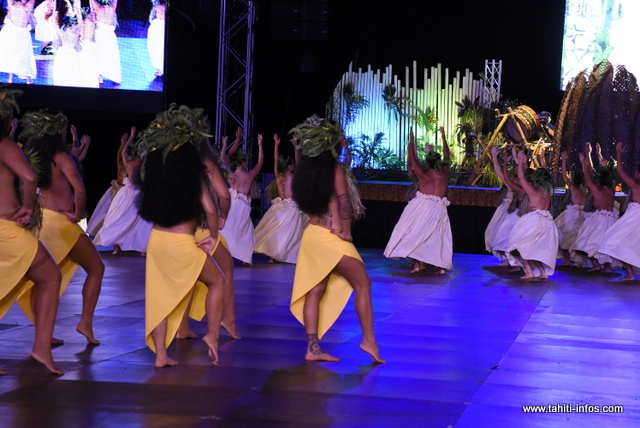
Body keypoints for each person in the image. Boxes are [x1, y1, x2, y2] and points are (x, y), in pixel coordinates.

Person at [290, 115, 384, 364]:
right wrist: (346, 232)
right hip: (332, 236)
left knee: (315, 290)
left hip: (312, 235)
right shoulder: (334, 169)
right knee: (362, 284)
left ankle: (312, 348)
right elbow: (344, 202)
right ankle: (369, 340)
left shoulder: (304, 173)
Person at [137, 104, 225, 367]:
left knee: (159, 296)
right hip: (182, 242)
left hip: (157, 240)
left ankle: (161, 356)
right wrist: (213, 235)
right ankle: (212, 335)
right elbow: (211, 209)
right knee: (218, 281)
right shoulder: (191, 171)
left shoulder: (153, 171)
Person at [17, 110, 104, 346]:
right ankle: (85, 322)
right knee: (96, 268)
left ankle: (43, 334)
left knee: (40, 280)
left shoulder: (31, 157)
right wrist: (78, 214)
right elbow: (80, 189)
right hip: (62, 224)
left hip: (41, 221)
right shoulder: (62, 157)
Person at [0, 86, 63, 375]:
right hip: (8, 229)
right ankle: (41, 347)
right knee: (50, 278)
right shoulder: (4, 145)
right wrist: (27, 206)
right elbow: (29, 177)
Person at [179, 137, 241, 340]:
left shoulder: (177, 163)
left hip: (181, 228)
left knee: (191, 277)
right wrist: (222, 216)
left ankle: (182, 327)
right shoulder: (206, 164)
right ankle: (229, 320)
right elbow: (224, 196)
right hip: (203, 227)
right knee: (226, 269)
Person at [384, 126, 452, 274]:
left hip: (422, 206)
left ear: (427, 162)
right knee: (438, 235)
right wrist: (443, 137)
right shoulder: (444, 173)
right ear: (440, 162)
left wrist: (411, 141)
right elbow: (447, 155)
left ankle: (417, 264)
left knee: (415, 234)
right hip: (438, 208)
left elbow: (413, 159)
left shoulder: (422, 173)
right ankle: (441, 267)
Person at [93, 127, 152, 255]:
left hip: (137, 192)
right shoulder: (136, 164)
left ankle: (142, 248)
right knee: (120, 218)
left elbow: (124, 151)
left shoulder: (142, 164)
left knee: (140, 220)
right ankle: (118, 247)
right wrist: (130, 137)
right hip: (129, 193)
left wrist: (131, 137)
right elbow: (122, 153)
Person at [254, 133, 308, 263]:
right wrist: (296, 147)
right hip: (290, 207)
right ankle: (282, 255)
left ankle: (274, 257)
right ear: (290, 166)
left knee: (277, 232)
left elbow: (275, 161)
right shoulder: (293, 176)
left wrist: (276, 145)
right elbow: (298, 162)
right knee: (288, 234)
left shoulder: (279, 176)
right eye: (292, 164)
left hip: (279, 206)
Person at [506, 149, 558, 279]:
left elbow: (521, 178)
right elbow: (545, 173)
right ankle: (543, 273)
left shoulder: (533, 191)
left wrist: (519, 162)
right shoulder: (548, 191)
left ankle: (529, 272)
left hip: (534, 221)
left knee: (519, 246)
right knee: (534, 249)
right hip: (547, 221)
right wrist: (542, 161)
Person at [570, 143, 619, 271]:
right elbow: (606, 173)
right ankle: (606, 267)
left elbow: (588, 175)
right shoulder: (612, 189)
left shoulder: (596, 190)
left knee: (587, 242)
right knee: (605, 243)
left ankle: (596, 265)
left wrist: (587, 155)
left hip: (598, 219)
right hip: (611, 219)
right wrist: (598, 155)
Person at [597, 142, 640, 280]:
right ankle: (631, 273)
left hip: (634, 217)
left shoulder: (636, 184)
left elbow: (620, 171)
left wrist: (619, 154)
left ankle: (631, 274)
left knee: (618, 241)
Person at [219, 133, 264, 265]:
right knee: (246, 232)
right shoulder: (249, 175)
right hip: (243, 206)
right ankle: (246, 258)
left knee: (228, 229)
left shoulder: (231, 176)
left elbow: (222, 162)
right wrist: (260, 145)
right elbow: (260, 163)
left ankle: (224, 253)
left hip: (231, 205)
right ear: (244, 163)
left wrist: (224, 145)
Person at [554, 151, 587, 266]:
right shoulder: (585, 188)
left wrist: (563, 160)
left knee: (562, 234)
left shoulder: (573, 188)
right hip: (583, 213)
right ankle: (574, 259)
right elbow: (586, 175)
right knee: (578, 237)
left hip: (572, 214)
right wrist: (583, 162)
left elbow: (564, 175)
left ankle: (568, 260)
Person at [484, 146, 515, 263]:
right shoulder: (512, 183)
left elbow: (501, 173)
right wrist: (495, 157)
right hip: (504, 209)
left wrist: (496, 158)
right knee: (493, 232)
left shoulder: (516, 185)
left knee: (506, 235)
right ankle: (508, 259)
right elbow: (501, 173)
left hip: (511, 211)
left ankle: (510, 260)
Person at [0, 0, 36, 84]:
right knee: (16, 55)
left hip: (15, 31)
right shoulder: (22, 5)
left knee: (21, 55)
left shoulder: (16, 4)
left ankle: (23, 79)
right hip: (13, 31)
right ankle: (14, 78)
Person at [90, 0, 121, 85]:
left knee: (99, 54)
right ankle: (114, 76)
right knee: (111, 55)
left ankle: (99, 76)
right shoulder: (112, 8)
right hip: (110, 36)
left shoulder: (99, 8)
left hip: (100, 35)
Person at [147, 0, 165, 77]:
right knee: (157, 48)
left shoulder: (160, 6)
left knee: (159, 48)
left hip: (161, 25)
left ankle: (160, 69)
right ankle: (159, 69)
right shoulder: (158, 6)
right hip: (157, 25)